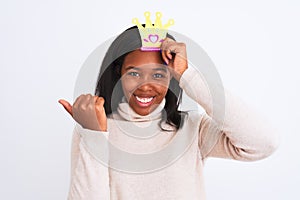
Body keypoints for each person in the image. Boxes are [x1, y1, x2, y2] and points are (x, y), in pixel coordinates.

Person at [59, 25, 279, 200]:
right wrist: (95, 136)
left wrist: (188, 75)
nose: (145, 86)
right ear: (118, 75)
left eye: (158, 75)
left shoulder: (192, 128)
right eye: (134, 73)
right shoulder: (96, 128)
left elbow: (264, 142)